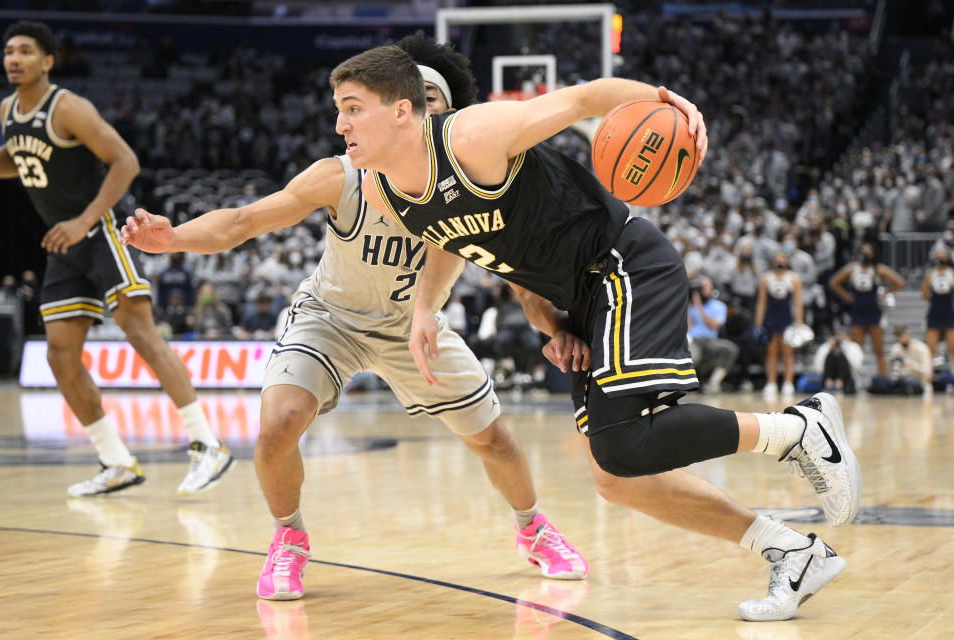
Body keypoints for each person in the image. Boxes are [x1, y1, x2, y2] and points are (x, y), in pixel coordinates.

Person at [331, 44, 862, 622]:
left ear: (403, 111)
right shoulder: (386, 187)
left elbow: (582, 98)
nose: (340, 124)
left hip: (623, 261)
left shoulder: (472, 137)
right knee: (618, 478)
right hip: (581, 298)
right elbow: (462, 244)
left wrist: (665, 100)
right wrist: (432, 310)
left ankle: (796, 428)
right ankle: (792, 553)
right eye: (338, 109)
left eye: (353, 108)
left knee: (621, 441)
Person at [122, 33, 588, 601]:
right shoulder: (342, 176)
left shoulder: (475, 179)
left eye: (434, 102)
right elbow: (244, 220)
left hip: (412, 328)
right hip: (331, 319)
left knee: (494, 441)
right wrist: (173, 239)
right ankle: (288, 539)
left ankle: (533, 528)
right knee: (277, 425)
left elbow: (522, 282)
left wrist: (557, 330)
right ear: (396, 112)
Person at [0, 21, 232, 496]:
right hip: (63, 242)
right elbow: (17, 159)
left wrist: (84, 220)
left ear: (47, 61)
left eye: (25, 50)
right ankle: (117, 461)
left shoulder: (69, 107)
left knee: (140, 332)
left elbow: (126, 161)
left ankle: (208, 445)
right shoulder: (7, 110)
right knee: (61, 355)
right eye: (8, 51)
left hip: (100, 229)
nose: (13, 58)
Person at [830, 243, 905, 377]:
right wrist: (847, 296)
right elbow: (834, 282)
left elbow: (899, 282)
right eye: (863, 251)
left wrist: (885, 293)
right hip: (857, 312)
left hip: (874, 313)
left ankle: (883, 379)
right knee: (856, 350)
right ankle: (854, 379)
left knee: (878, 349)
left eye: (868, 252)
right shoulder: (852, 269)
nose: (865, 254)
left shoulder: (878, 269)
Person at [754, 251, 803, 397]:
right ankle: (771, 383)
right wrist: (758, 323)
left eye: (782, 259)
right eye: (776, 259)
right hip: (771, 318)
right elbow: (761, 303)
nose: (779, 261)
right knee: (772, 352)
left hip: (787, 319)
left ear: (787, 262)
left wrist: (799, 324)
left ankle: (788, 383)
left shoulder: (793, 278)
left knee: (788, 352)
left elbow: (798, 303)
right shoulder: (766, 279)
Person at [687, 276, 738, 393]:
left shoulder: (719, 306)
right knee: (692, 356)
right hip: (693, 340)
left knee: (731, 349)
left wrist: (699, 307)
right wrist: (689, 305)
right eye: (701, 287)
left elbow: (713, 325)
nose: (704, 290)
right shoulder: (689, 305)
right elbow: (688, 327)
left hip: (711, 341)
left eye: (707, 287)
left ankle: (713, 383)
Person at [923, 246, 954, 364]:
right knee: (931, 348)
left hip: (949, 313)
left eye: (942, 256)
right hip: (934, 313)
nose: (940, 259)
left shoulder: (952, 273)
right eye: (938, 256)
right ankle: (929, 374)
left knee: (952, 347)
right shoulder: (930, 274)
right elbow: (924, 295)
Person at [887, 327, 933, 392]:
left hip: (916, 381)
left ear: (908, 335)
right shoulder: (895, 348)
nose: (899, 339)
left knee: (910, 384)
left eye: (901, 336)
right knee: (878, 381)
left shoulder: (921, 348)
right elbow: (890, 371)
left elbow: (928, 372)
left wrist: (912, 364)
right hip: (899, 380)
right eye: (897, 337)